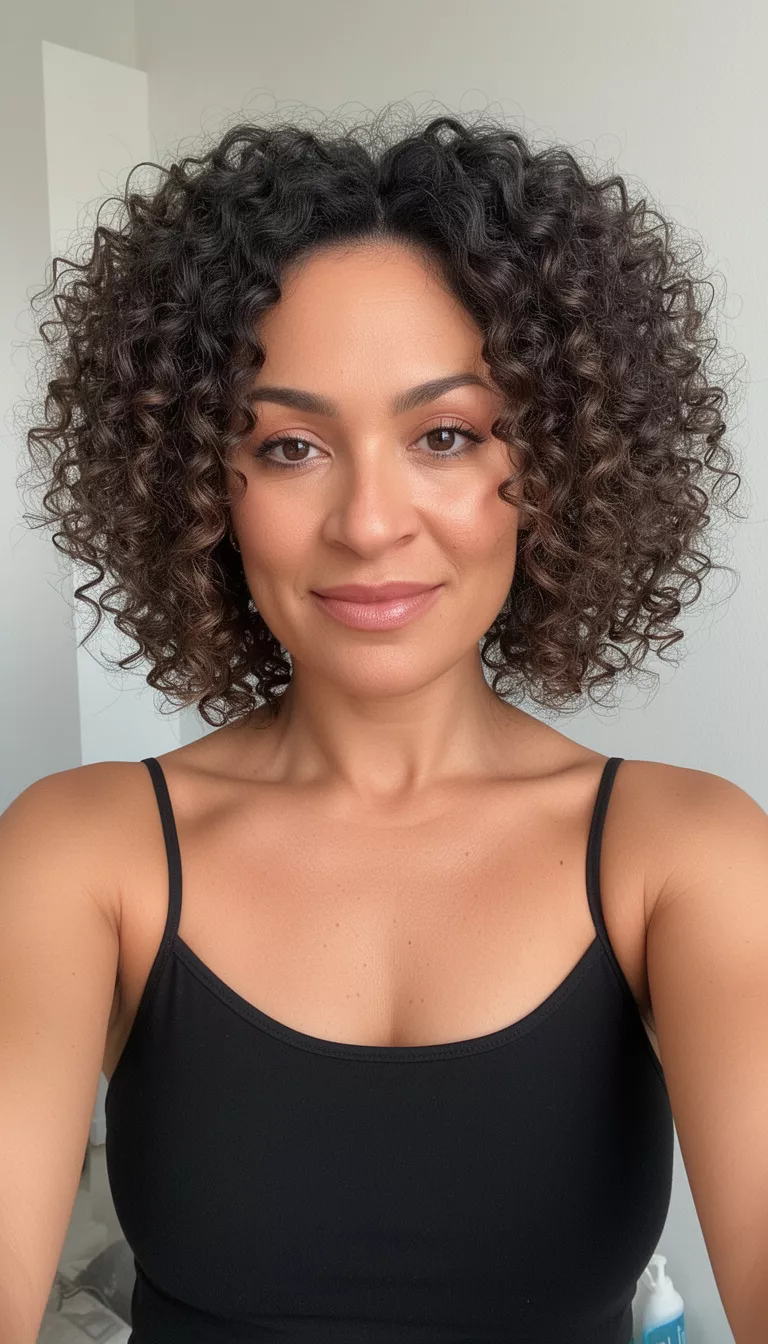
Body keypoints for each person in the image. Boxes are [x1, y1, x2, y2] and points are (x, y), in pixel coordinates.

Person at [3, 108, 767, 1344]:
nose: (368, 522)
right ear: (200, 485)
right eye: (290, 445)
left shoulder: (686, 854)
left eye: (447, 435)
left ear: (563, 467)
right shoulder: (83, 852)